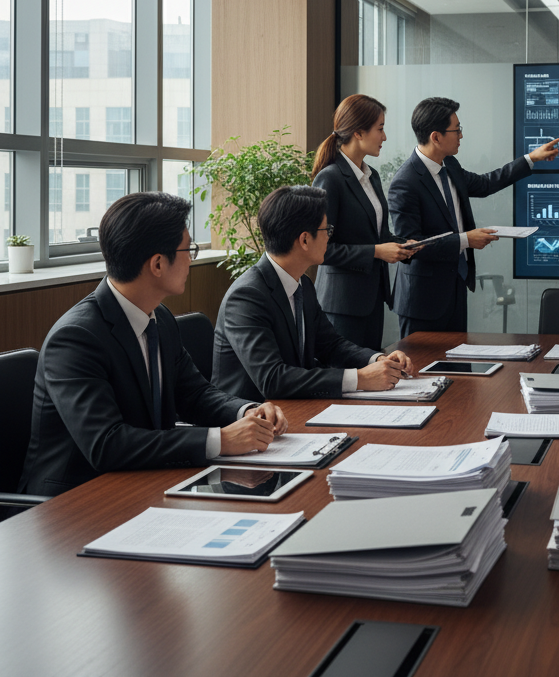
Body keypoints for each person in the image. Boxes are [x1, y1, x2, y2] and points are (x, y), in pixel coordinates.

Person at [20, 192, 286, 497]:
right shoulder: (75, 339)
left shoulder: (158, 316)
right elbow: (107, 444)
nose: (190, 259)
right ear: (158, 264)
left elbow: (194, 394)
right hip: (74, 502)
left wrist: (247, 412)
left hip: (143, 483)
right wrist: (221, 440)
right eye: (188, 249)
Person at [212, 185, 414, 401]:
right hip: (252, 420)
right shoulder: (246, 296)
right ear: (305, 240)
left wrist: (377, 360)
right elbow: (272, 379)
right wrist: (359, 378)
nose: (329, 237)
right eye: (326, 230)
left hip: (297, 407)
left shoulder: (303, 284)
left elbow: (330, 344)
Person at [388, 96, 559, 338]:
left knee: (458, 369)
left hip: (454, 290)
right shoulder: (405, 182)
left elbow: (485, 184)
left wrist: (531, 158)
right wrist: (466, 240)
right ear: (436, 137)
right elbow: (411, 245)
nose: (461, 135)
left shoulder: (450, 165)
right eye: (456, 130)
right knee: (421, 372)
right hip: (422, 301)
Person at [310, 94, 417, 352]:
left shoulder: (372, 176)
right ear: (358, 132)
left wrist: (404, 246)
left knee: (371, 378)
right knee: (349, 382)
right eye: (380, 128)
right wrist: (378, 252)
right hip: (342, 305)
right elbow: (321, 249)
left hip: (372, 301)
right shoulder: (330, 178)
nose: (384, 137)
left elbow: (376, 234)